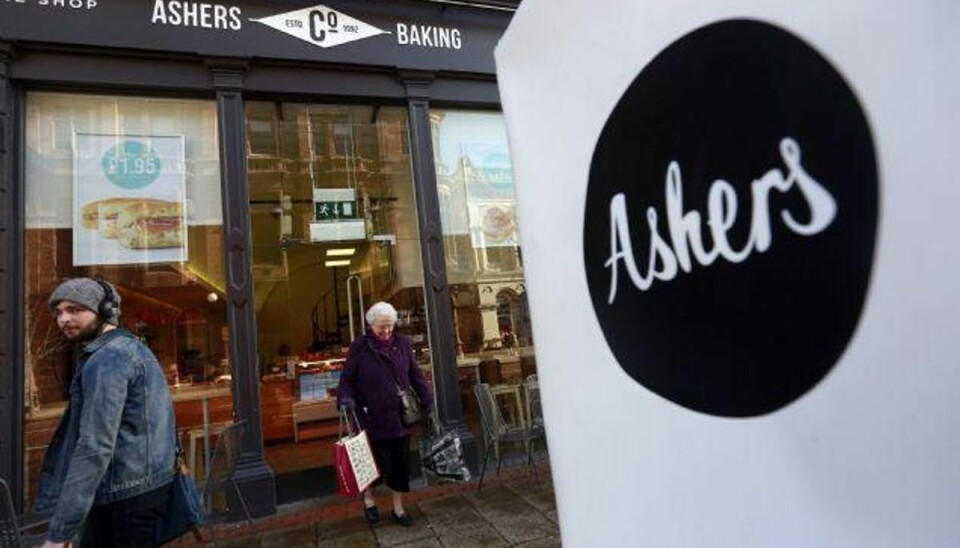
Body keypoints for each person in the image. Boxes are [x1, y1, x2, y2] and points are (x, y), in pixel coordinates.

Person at [35, 278, 176, 547]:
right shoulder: (131, 348)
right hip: (144, 489)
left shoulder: (107, 359)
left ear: (105, 311)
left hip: (123, 499)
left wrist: (61, 531)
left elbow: (94, 446)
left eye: (75, 310)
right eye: (59, 312)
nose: (63, 319)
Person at [337, 301, 432, 527]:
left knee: (399, 463)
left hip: (400, 415)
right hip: (370, 416)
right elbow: (347, 380)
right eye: (382, 327)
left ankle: (398, 508)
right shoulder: (360, 346)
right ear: (371, 325)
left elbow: (415, 375)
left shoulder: (403, 343)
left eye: (390, 326)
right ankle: (369, 499)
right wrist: (345, 399)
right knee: (370, 462)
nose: (387, 331)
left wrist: (427, 399)